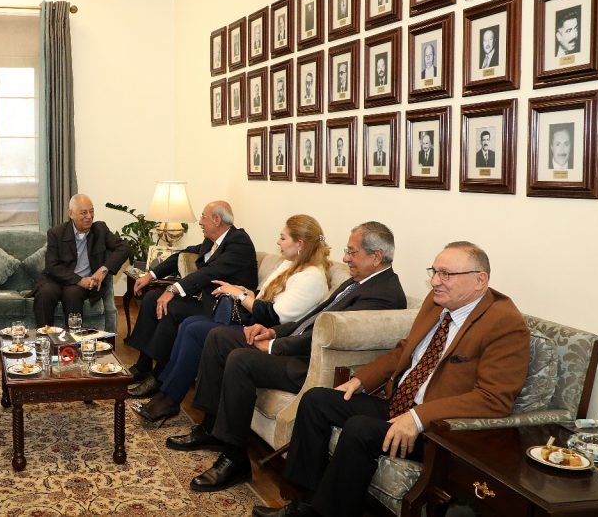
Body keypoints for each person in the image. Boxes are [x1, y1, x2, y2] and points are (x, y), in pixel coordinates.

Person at [254, 242, 529, 517]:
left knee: (360, 428)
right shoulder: (437, 304)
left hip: (439, 431)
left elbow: (493, 399)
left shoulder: (504, 323)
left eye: (446, 274)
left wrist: (418, 418)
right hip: (399, 405)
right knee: (317, 400)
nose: (435, 281)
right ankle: (302, 503)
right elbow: (404, 351)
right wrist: (361, 380)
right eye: (434, 272)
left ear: (479, 280)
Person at [181, 223, 407, 494]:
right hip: (297, 348)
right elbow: (311, 320)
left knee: (241, 360)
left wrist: (274, 346)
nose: (345, 258)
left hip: (312, 365)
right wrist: (273, 331)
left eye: (352, 252)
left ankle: (234, 458)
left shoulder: (384, 295)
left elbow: (327, 338)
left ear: (376, 256)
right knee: (220, 337)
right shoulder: (357, 281)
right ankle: (210, 427)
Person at [133, 215, 331, 427]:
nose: (278, 242)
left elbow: (274, 316)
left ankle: (169, 398)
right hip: (256, 324)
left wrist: (239, 294)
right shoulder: (290, 264)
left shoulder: (311, 277)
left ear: (300, 244)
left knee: (195, 329)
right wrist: (245, 291)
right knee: (190, 324)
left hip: (269, 335)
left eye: (283, 238)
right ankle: (165, 393)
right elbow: (264, 296)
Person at [125, 201, 258, 399]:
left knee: (172, 308)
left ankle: (158, 377)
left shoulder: (239, 243)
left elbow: (210, 272)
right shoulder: (212, 241)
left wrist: (173, 289)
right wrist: (151, 275)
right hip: (207, 301)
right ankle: (143, 366)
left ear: (216, 219)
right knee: (153, 297)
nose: (200, 222)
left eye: (203, 216)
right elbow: (183, 254)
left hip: (226, 311)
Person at [33, 194, 128, 327]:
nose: (89, 216)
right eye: (83, 212)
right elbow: (52, 266)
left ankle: (73, 337)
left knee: (72, 293)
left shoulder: (100, 230)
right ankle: (43, 336)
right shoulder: (56, 233)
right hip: (57, 280)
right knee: (45, 293)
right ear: (71, 214)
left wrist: (103, 269)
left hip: (81, 286)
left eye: (91, 211)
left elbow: (124, 248)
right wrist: (79, 280)